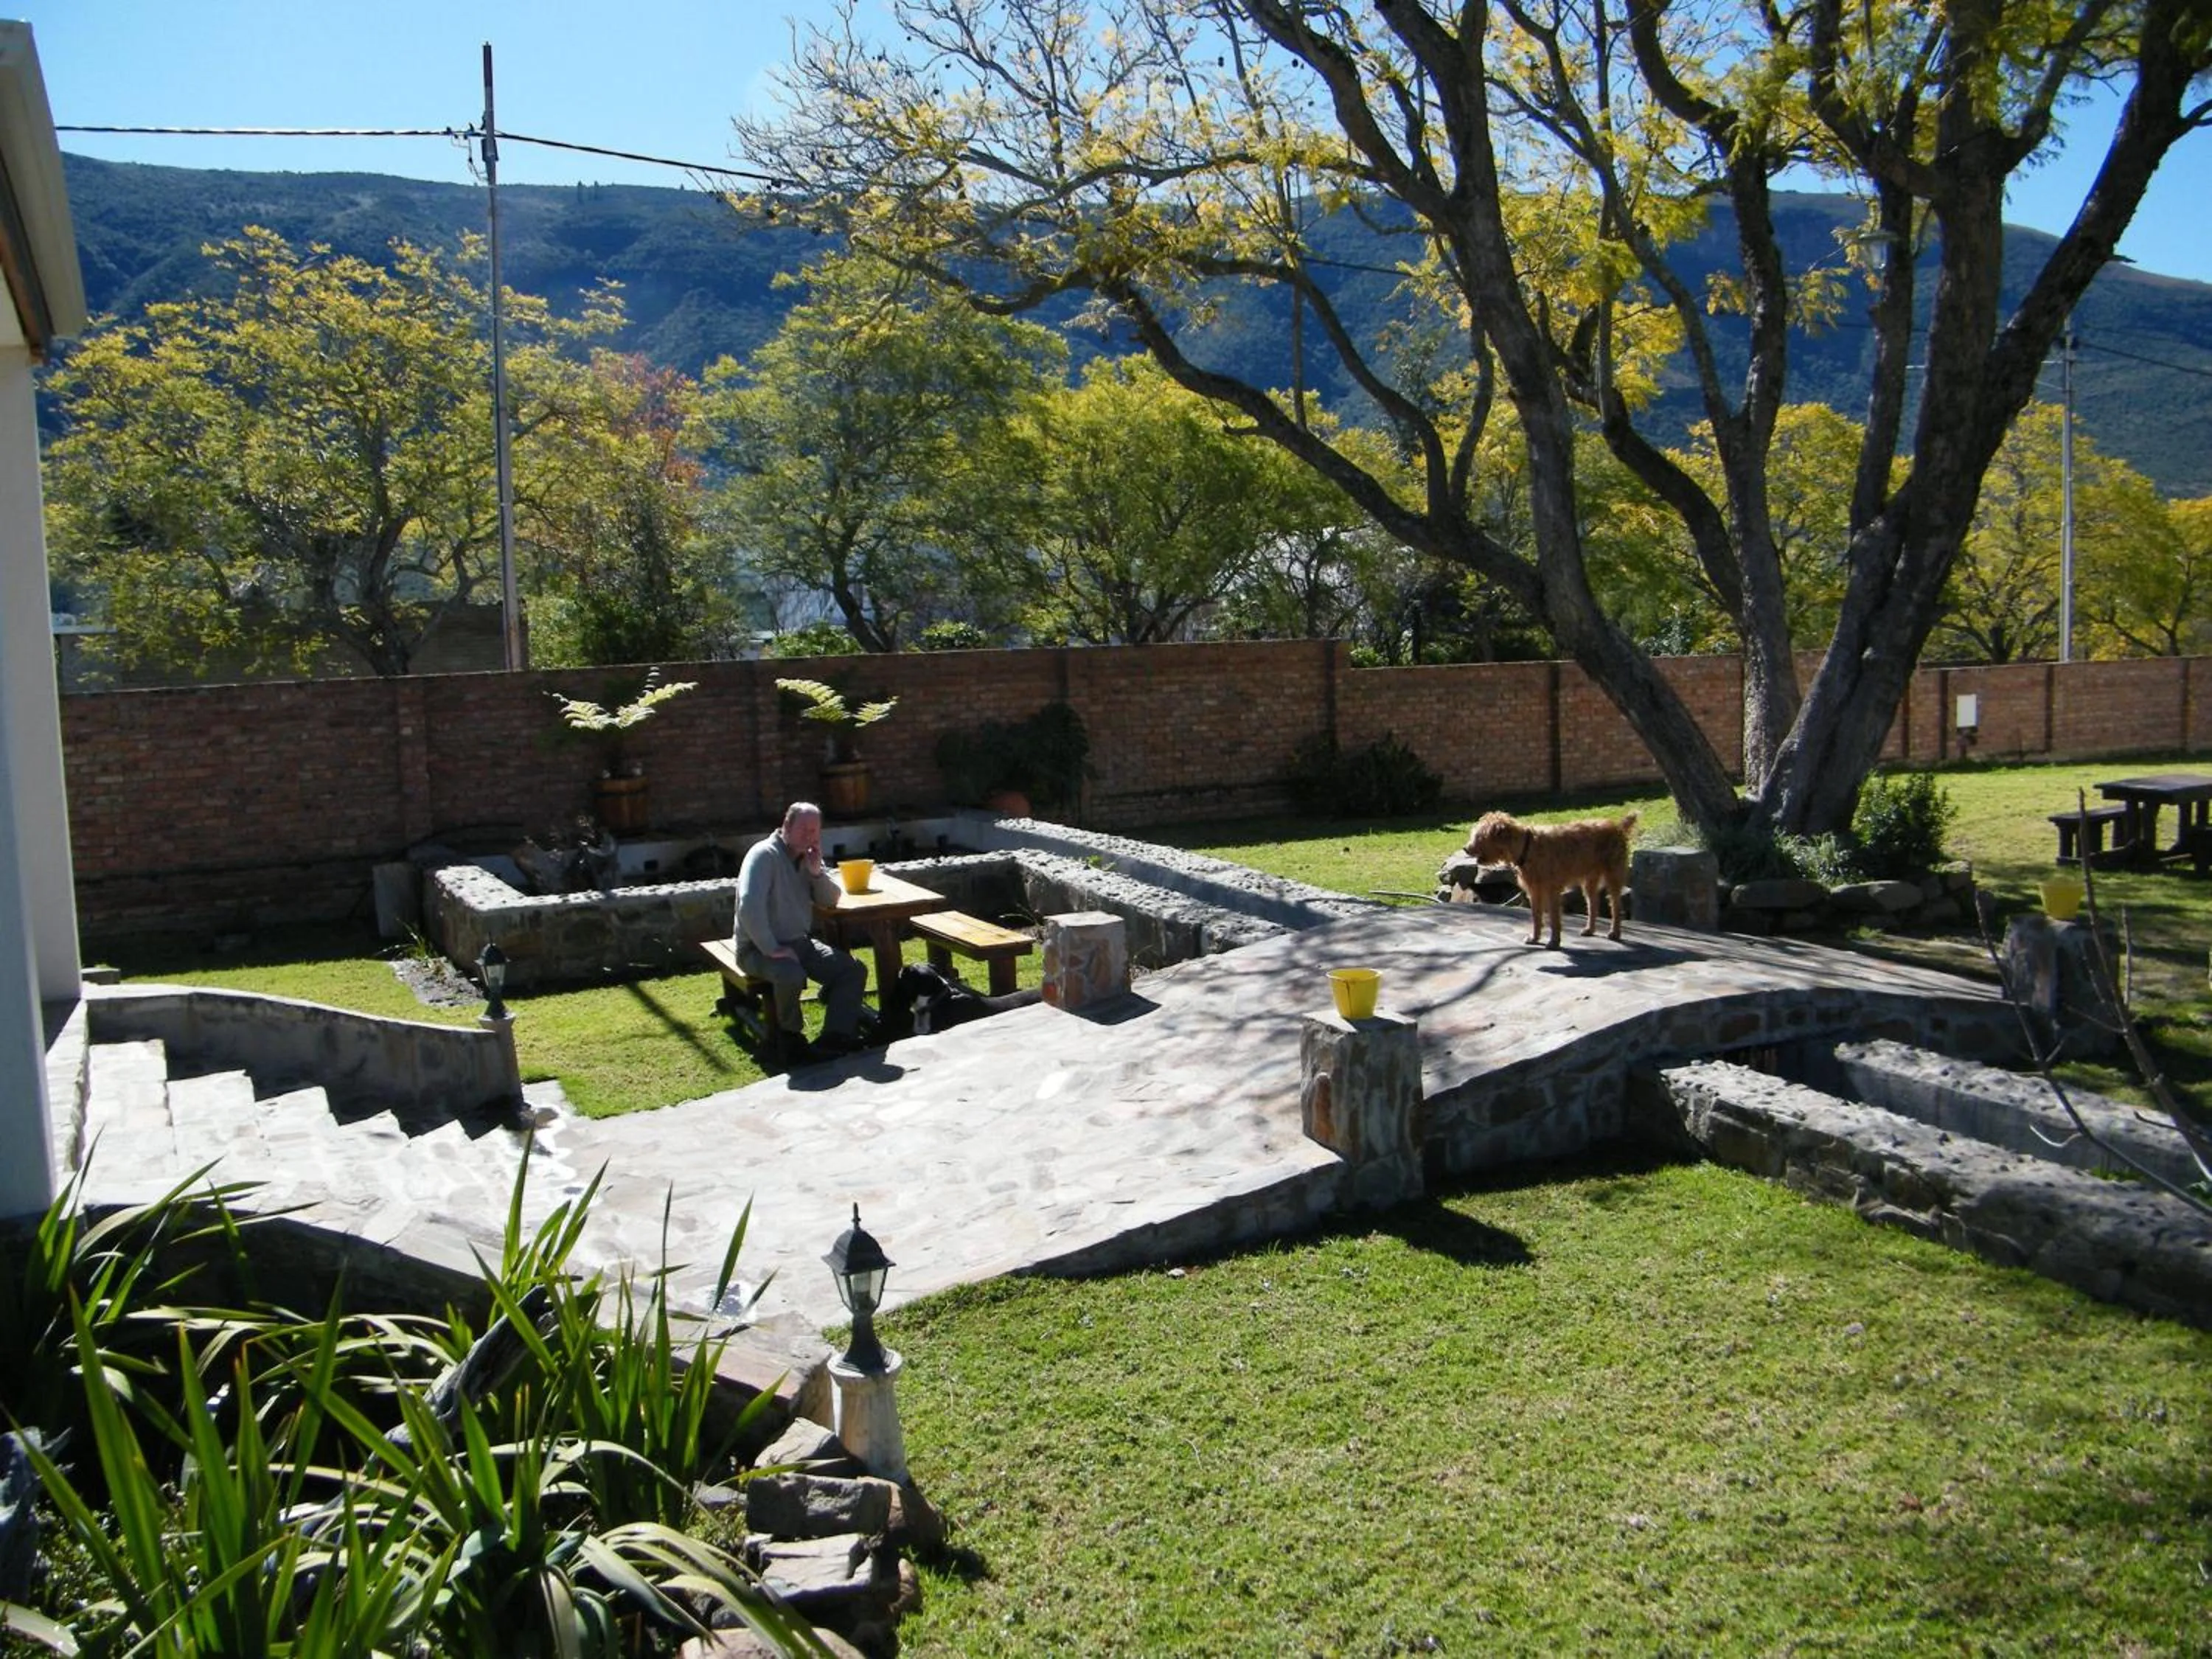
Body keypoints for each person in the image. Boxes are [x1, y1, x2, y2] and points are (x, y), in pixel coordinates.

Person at [734, 801, 868, 1065]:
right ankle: (789, 1038)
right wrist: (771, 948)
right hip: (756, 949)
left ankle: (835, 1038)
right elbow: (749, 905)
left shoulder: (807, 858)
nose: (811, 836)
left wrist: (817, 873)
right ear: (786, 826)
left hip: (799, 943)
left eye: (815, 830)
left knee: (852, 970)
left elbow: (831, 900)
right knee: (790, 973)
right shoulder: (763, 855)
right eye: (804, 829)